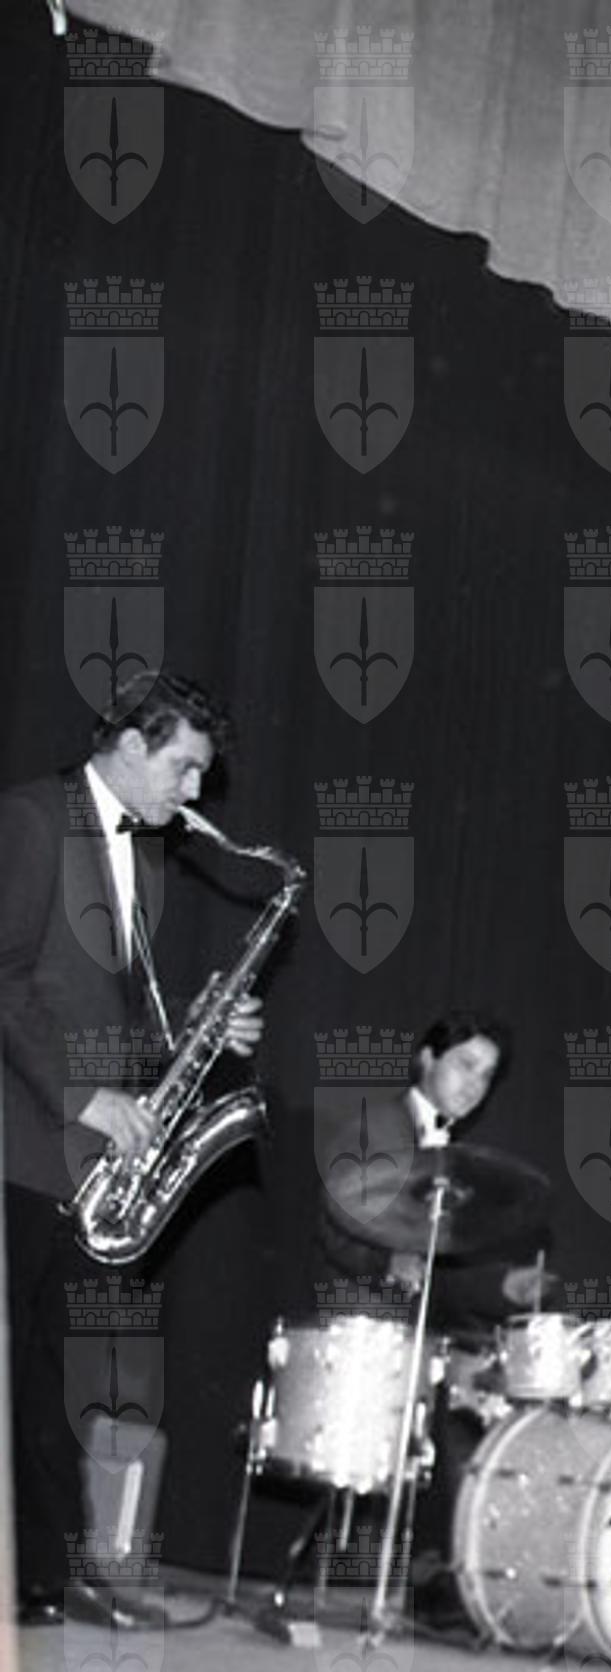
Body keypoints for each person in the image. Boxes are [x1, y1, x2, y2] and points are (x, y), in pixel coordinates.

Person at [0, 677, 263, 1623]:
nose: (193, 792)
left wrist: (197, 1025)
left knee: (49, 1375)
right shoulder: (33, 820)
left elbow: (99, 1010)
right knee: (31, 1372)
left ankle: (45, 1577)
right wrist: (83, 1098)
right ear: (130, 745)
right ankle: (49, 1573)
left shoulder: (141, 856)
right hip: (24, 1142)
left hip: (83, 1160)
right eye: (184, 767)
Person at [315, 1010, 556, 1622]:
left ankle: (442, 1573)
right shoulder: (379, 1124)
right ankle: (424, 1572)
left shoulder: (450, 1157)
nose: (475, 1084)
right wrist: (387, 1261)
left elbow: (437, 1276)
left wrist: (502, 1286)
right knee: (442, 1404)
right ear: (426, 1058)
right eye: (465, 1065)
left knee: (474, 1384)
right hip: (361, 1316)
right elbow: (335, 1226)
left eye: (487, 1075)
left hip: (416, 1325)